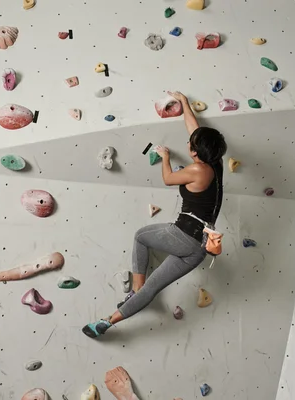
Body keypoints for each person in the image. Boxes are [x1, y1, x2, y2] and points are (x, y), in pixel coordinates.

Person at [82, 91, 228, 338]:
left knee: (141, 237)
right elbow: (195, 128)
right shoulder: (215, 163)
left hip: (185, 235)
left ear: (195, 153)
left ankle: (135, 290)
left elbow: (168, 178)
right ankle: (106, 323)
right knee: (154, 287)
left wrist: (165, 158)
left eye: (191, 145)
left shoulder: (197, 170)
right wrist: (184, 103)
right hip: (201, 248)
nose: (189, 144)